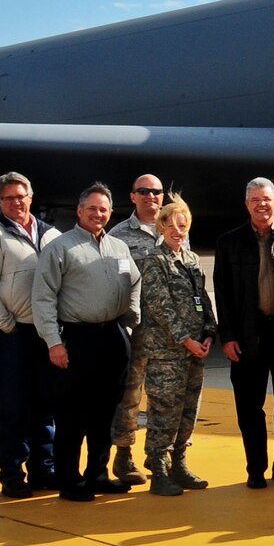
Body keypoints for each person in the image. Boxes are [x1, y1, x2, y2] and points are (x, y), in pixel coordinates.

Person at [32, 182, 141, 502]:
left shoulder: (118, 248)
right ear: (79, 211)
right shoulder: (61, 248)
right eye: (91, 208)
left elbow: (134, 281)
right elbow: (42, 297)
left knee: (105, 413)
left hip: (112, 337)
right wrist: (53, 342)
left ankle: (97, 474)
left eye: (104, 209)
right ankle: (69, 479)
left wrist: (130, 320)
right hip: (76, 338)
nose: (98, 214)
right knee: (71, 415)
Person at [0, 171, 60, 498]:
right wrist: (6, 326)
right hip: (14, 334)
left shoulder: (51, 236)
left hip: (47, 333)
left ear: (30, 198)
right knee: (15, 407)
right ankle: (11, 472)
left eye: (21, 196)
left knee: (45, 405)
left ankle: (43, 469)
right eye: (8, 198)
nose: (16, 202)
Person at [212, 178, 274, 489]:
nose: (261, 204)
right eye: (254, 199)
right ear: (247, 204)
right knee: (249, 405)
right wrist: (227, 336)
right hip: (247, 335)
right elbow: (222, 294)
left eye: (266, 199)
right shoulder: (229, 242)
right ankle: (256, 468)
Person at [139, 195, 216, 496]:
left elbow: (202, 299)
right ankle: (158, 467)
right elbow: (161, 307)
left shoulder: (191, 260)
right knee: (164, 410)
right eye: (170, 225)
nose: (177, 231)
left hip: (195, 351)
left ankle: (179, 463)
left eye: (182, 226)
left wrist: (209, 332)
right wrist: (186, 340)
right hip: (167, 352)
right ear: (160, 226)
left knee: (188, 409)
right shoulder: (153, 262)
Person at [105, 173, 167, 489]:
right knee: (131, 393)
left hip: (168, 329)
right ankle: (124, 453)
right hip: (138, 327)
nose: (151, 197)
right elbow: (116, 283)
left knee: (164, 394)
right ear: (133, 197)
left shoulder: (173, 227)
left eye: (156, 191)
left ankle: (159, 453)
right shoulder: (119, 235)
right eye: (143, 191)